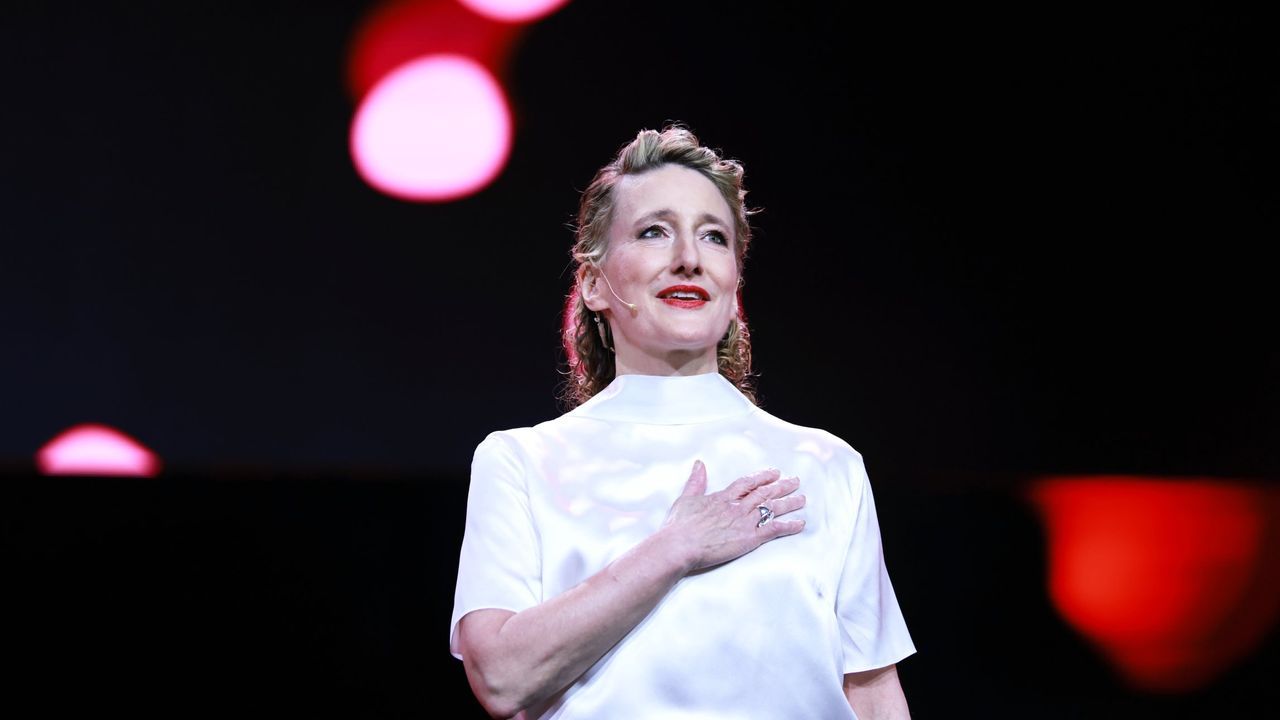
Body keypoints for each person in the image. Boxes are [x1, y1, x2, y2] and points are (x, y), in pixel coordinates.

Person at [450, 125, 915, 719]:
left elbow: (872, 696)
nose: (688, 259)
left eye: (713, 237)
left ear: (733, 281)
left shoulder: (826, 464)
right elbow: (503, 679)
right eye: (653, 232)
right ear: (594, 283)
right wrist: (676, 548)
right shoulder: (520, 461)